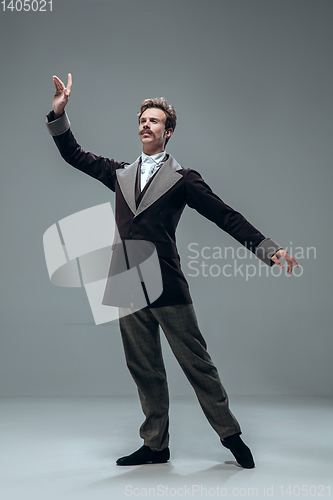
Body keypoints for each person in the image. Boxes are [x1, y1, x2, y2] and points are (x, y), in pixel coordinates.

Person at [46, 73, 298, 469]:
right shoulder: (120, 173)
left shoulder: (184, 180)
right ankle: (155, 445)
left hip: (166, 284)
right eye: (142, 120)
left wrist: (269, 249)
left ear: (169, 131)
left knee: (198, 365)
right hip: (126, 284)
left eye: (154, 120)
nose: (146, 124)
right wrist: (59, 114)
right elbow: (74, 155)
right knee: (144, 369)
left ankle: (231, 437)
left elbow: (225, 216)